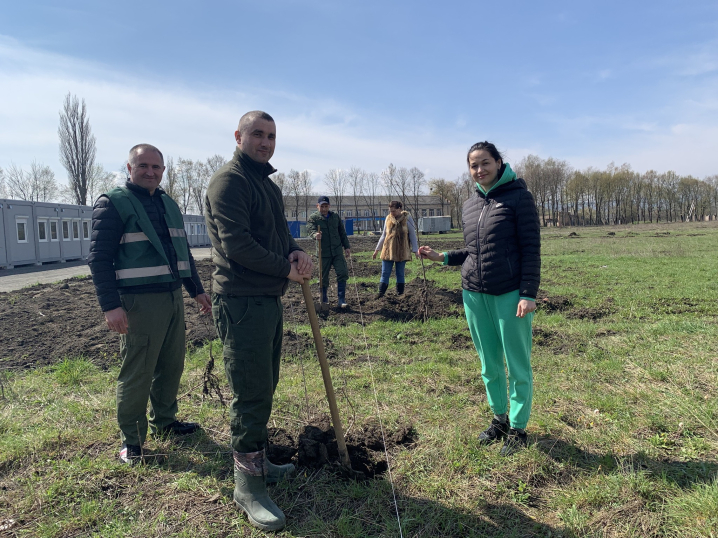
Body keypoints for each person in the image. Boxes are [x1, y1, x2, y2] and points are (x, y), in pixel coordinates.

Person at [204, 110, 312, 532]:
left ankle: (260, 460)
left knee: (265, 385)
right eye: (257, 135)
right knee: (250, 393)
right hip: (241, 301)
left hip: (266, 299)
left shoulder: (267, 184)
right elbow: (238, 246)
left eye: (271, 136)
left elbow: (277, 236)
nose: (266, 142)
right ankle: (247, 487)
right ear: (238, 136)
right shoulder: (229, 181)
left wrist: (295, 250)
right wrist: (285, 270)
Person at [87, 144, 212, 466]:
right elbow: (99, 259)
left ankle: (165, 421)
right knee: (138, 371)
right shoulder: (113, 203)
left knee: (172, 365)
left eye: (157, 167)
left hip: (171, 298)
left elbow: (180, 252)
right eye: (143, 166)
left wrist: (196, 290)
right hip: (138, 302)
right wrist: (110, 306)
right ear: (129, 168)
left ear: (163, 171)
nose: (150, 172)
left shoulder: (167, 203)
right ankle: (133, 441)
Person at [419, 141, 540, 456]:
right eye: (473, 165)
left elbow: (530, 249)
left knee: (517, 363)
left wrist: (527, 293)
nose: (479, 170)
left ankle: (518, 428)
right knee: (489, 363)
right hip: (474, 293)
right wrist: (441, 256)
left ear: (499, 162)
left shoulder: (519, 198)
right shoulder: (470, 204)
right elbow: (473, 251)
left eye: (485, 163)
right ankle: (499, 419)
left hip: (510, 293)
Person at [306, 196, 351, 307]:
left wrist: (347, 247)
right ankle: (324, 299)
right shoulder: (314, 218)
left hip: (337, 251)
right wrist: (315, 235)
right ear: (318, 206)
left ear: (329, 206)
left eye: (326, 206)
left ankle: (341, 300)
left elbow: (342, 233)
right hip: (323, 252)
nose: (324, 209)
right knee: (322, 277)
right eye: (322, 206)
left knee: (343, 272)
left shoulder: (335, 217)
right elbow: (310, 229)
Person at [372, 200, 419, 297]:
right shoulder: (388, 218)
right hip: (388, 251)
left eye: (393, 211)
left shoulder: (407, 219)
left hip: (402, 251)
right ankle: (380, 294)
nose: (391, 213)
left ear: (399, 209)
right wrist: (377, 250)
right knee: (385, 272)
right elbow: (384, 235)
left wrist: (416, 250)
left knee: (400, 273)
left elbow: (412, 236)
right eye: (390, 211)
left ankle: (400, 295)